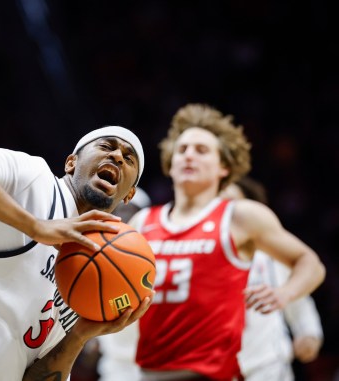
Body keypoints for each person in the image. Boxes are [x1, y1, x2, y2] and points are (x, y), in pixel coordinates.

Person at [0, 126, 153, 380]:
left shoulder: (98, 273)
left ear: (130, 195)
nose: (117, 156)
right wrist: (35, 226)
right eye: (106, 146)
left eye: (128, 158)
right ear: (71, 163)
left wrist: (80, 335)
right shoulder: (34, 180)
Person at [129, 103, 325, 381]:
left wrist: (285, 294)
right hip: (149, 373)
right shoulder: (143, 222)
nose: (188, 156)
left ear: (224, 167)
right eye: (182, 149)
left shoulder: (240, 216)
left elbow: (311, 264)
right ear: (169, 164)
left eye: (201, 150)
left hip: (215, 373)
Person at [221, 177, 323, 381]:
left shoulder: (269, 255)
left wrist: (308, 332)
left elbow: (298, 294)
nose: (227, 211)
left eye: (233, 204)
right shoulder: (198, 250)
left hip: (267, 365)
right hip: (214, 365)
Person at [93, 187, 151, 381]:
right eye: (115, 211)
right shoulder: (93, 259)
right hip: (114, 370)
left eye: (128, 211)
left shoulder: (155, 253)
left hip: (158, 366)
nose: (119, 217)